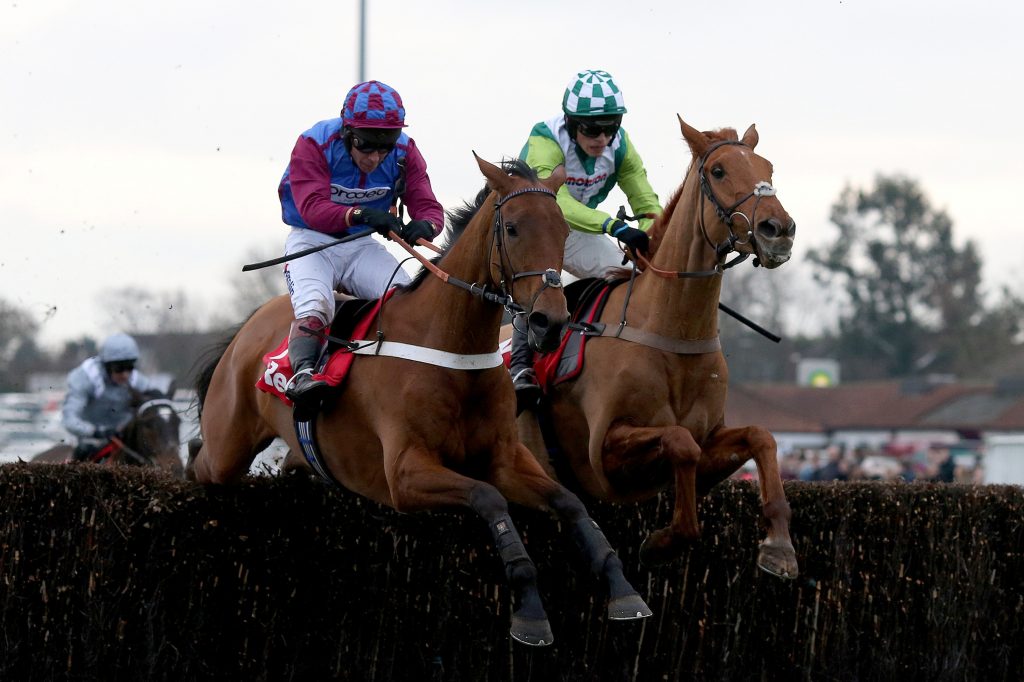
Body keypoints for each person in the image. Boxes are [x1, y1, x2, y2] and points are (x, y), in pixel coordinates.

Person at [277, 80, 445, 410]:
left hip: (358, 245)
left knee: (408, 299)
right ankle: (303, 375)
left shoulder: (405, 152)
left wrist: (427, 225)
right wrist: (361, 213)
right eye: (366, 146)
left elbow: (428, 205)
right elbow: (312, 207)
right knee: (316, 305)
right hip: (310, 240)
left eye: (384, 147)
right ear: (346, 130)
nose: (375, 157)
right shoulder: (313, 143)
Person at [511, 69, 662, 407]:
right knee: (536, 287)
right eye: (592, 129)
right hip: (530, 230)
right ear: (570, 122)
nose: (602, 138)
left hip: (574, 231)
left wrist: (657, 240)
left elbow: (647, 203)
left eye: (612, 128)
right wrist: (613, 226)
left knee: (631, 281)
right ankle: (520, 367)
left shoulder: (621, 148)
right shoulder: (545, 139)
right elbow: (557, 202)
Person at [62, 333, 154, 462]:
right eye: (119, 368)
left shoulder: (140, 382)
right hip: (90, 440)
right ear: (106, 365)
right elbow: (69, 420)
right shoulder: (85, 378)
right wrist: (97, 431)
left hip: (125, 441)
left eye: (130, 367)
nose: (125, 374)